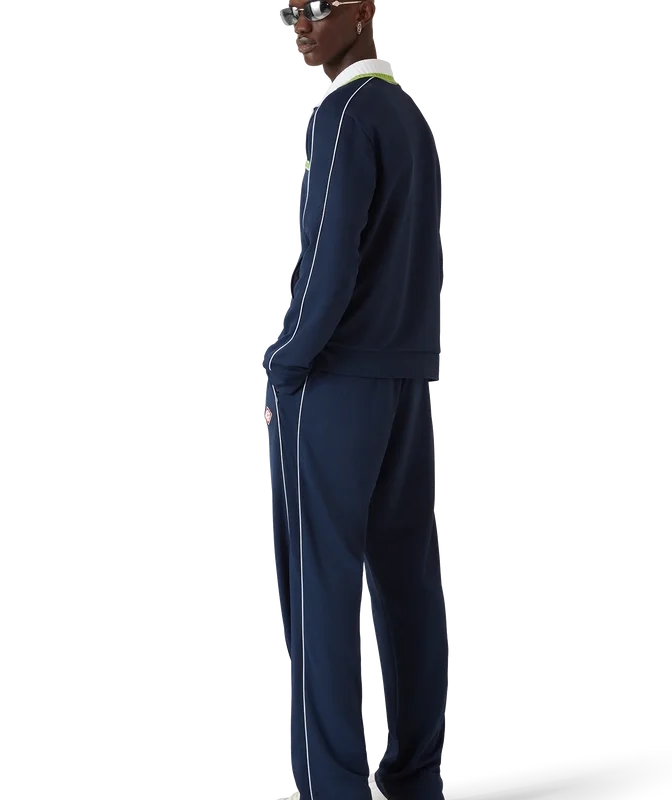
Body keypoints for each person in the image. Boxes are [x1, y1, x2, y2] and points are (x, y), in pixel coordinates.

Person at [265, 2, 448, 799]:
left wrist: (284, 363)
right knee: (407, 578)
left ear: (365, 11)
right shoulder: (408, 117)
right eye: (290, 10)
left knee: (321, 587)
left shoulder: (343, 114)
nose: (300, 26)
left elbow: (328, 261)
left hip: (334, 384)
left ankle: (331, 788)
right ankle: (415, 775)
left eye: (316, 7)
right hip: (404, 378)